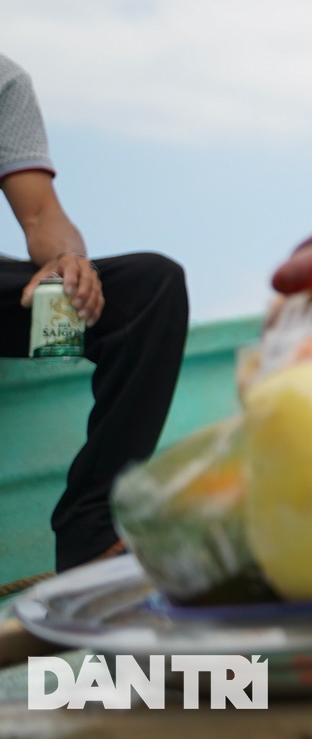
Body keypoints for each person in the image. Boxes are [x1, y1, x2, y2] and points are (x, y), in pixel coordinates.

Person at [0, 55, 187, 580]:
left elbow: (40, 214)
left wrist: (69, 262)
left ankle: (91, 534)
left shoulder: (4, 81)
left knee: (149, 289)